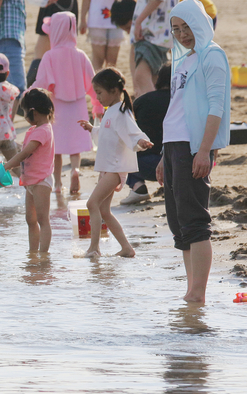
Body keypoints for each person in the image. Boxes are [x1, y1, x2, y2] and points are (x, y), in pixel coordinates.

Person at [155, 0, 230, 303]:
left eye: (187, 27)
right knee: (179, 225)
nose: (183, 34)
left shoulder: (213, 55)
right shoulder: (183, 60)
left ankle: (197, 294)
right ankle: (190, 291)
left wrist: (204, 151)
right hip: (173, 147)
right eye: (176, 29)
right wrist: (163, 156)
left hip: (193, 148)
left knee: (195, 221)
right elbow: (175, 109)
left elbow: (217, 107)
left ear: (200, 23)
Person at [78, 68, 154, 258]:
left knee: (92, 203)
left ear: (113, 91)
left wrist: (140, 141)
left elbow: (132, 131)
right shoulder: (111, 111)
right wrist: (92, 129)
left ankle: (94, 248)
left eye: (100, 93)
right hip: (108, 167)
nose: (97, 97)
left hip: (115, 168)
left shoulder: (121, 112)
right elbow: (106, 135)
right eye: (96, 93)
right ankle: (126, 248)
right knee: (103, 210)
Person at [29, 11, 104, 194]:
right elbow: (93, 83)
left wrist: (29, 94)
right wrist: (97, 105)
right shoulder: (80, 55)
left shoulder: (49, 56)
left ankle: (57, 184)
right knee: (75, 147)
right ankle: (76, 170)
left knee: (56, 149)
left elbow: (42, 83)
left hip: (56, 108)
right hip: (77, 106)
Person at [3, 88, 55, 253]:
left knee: (42, 219)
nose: (24, 116)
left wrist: (7, 165)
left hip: (41, 181)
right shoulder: (35, 130)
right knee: (30, 219)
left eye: (25, 112)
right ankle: (33, 253)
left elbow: (25, 153)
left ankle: (43, 255)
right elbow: (25, 149)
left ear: (34, 112)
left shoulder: (43, 131)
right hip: (31, 180)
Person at [120, 63, 171, 205]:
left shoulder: (142, 101)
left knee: (124, 150)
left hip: (144, 165)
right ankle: (173, 186)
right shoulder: (181, 102)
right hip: (177, 164)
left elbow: (126, 129)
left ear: (157, 80)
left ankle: (138, 187)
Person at [111, 0, 175, 97]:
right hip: (158, 33)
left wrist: (138, 21)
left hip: (153, 33)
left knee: (142, 76)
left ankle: (154, 109)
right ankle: (158, 107)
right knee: (155, 80)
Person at [27, 0, 79, 87]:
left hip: (57, 6)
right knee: (61, 53)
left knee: (42, 54)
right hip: (61, 6)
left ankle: (28, 93)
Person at [0, 0, 27, 94]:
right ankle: (13, 109)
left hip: (7, 38)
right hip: (6, 38)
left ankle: (12, 109)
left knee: (13, 89)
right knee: (15, 89)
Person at [79, 0, 126, 71]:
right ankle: (96, 81)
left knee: (112, 62)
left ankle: (110, 81)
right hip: (97, 18)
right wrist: (83, 19)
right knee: (98, 59)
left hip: (117, 18)